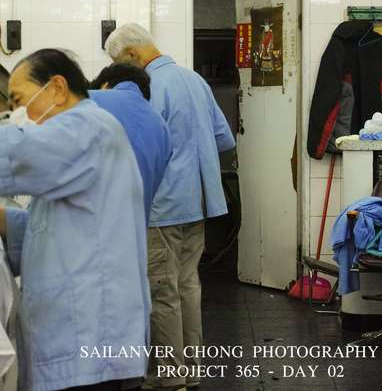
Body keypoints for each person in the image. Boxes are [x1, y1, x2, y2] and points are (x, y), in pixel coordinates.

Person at [0, 49, 150, 391]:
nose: (16, 115)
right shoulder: (79, 142)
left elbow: (17, 153)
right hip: (83, 342)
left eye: (19, 101)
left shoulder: (88, 128)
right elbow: (50, 229)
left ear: (57, 88)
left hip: (91, 341)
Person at [105, 23, 235, 390]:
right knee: (188, 286)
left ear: (132, 55)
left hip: (162, 204)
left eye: (119, 62)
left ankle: (169, 375)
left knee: (162, 291)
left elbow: (135, 145)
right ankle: (189, 370)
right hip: (198, 200)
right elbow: (224, 138)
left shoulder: (146, 88)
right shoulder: (194, 80)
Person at [89, 62, 172, 222]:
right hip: (134, 228)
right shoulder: (161, 125)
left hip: (89, 225)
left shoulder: (91, 99)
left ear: (105, 85)